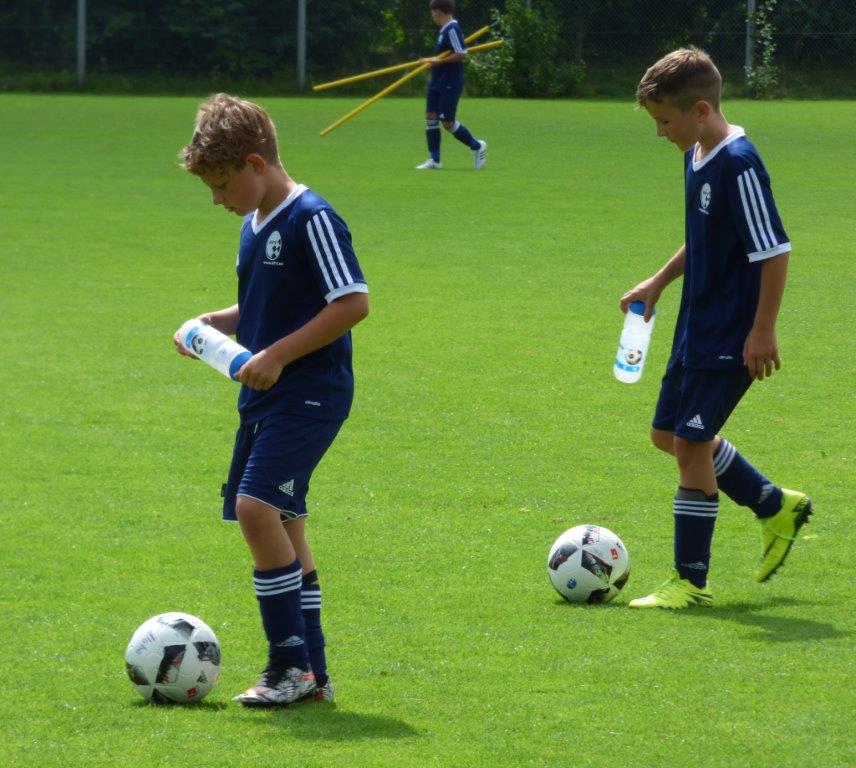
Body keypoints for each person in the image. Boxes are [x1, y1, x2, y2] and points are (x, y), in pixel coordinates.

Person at [174, 93, 369, 702]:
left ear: (256, 164)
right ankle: (314, 674)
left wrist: (279, 354)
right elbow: (269, 300)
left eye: (221, 184)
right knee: (286, 523)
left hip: (310, 392)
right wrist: (219, 323)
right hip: (266, 397)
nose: (216, 199)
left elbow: (352, 302)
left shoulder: (312, 217)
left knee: (256, 510)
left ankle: (288, 667)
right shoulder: (253, 223)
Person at [620, 47, 812, 609]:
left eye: (665, 120)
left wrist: (763, 330)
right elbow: (703, 236)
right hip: (695, 325)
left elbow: (774, 251)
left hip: (731, 332)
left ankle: (690, 581)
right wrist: (658, 282)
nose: (660, 133)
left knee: (690, 444)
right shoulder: (698, 153)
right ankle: (773, 504)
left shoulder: (739, 163)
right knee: (668, 436)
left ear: (700, 110)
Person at [415, 0, 487, 170]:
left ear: (438, 12)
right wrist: (433, 60)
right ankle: (434, 159)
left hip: (450, 82)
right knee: (431, 118)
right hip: (436, 81)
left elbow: (461, 53)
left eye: (433, 12)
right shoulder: (443, 30)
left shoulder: (452, 29)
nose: (432, 15)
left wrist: (436, 62)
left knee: (447, 122)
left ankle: (477, 146)